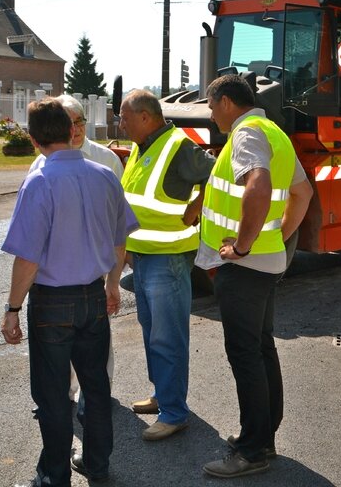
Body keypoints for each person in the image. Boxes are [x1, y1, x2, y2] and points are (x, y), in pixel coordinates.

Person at [0, 98, 137, 486]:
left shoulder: (39, 180)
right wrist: (111, 284)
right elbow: (119, 238)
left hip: (52, 301)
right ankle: (97, 463)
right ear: (69, 128)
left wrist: (12, 307)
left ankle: (54, 474)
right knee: (95, 387)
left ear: (34, 139)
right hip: (92, 296)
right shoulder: (105, 174)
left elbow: (27, 258)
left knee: (53, 394)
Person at [198, 74, 313, 478]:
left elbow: (258, 186)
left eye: (211, 107)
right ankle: (263, 437)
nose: (211, 116)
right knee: (262, 350)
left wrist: (244, 245)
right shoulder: (274, 132)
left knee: (246, 355)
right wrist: (276, 237)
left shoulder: (246, 134)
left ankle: (251, 452)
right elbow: (303, 194)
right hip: (263, 263)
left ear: (227, 102)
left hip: (243, 266)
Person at [118, 89, 216, 441]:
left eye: (124, 117)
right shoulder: (141, 147)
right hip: (142, 258)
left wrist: (198, 206)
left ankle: (174, 412)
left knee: (168, 335)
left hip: (168, 259)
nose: (120, 123)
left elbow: (218, 174)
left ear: (145, 117)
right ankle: (163, 395)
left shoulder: (177, 145)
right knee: (151, 331)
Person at [28, 94, 123, 406]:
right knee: (60, 350)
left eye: (80, 121)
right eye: (70, 123)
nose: (77, 128)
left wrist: (113, 277)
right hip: (55, 278)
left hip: (91, 275)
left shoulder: (105, 160)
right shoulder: (40, 164)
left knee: (96, 348)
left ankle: (93, 396)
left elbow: (117, 221)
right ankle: (65, 393)